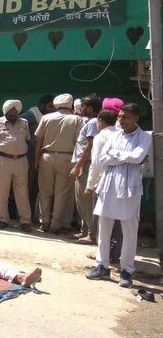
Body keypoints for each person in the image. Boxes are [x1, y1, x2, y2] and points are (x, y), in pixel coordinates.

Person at [86, 104, 151, 288]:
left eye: (126, 117)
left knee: (129, 230)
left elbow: (138, 157)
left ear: (136, 118)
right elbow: (103, 158)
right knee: (104, 227)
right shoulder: (113, 134)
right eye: (120, 116)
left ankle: (127, 270)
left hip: (129, 187)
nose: (121, 120)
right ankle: (101, 266)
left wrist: (116, 156)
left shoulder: (144, 136)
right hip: (108, 184)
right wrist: (125, 157)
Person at [34, 94, 84, 233]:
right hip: (67, 158)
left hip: (46, 156)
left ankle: (45, 221)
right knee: (62, 192)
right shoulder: (77, 119)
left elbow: (39, 140)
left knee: (44, 191)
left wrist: (37, 159)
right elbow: (80, 142)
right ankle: (57, 224)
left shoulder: (46, 118)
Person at [0, 99, 32, 232]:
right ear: (5, 112)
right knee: (2, 190)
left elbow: (27, 139)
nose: (13, 114)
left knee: (22, 191)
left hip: (21, 161)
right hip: (2, 161)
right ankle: (2, 219)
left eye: (15, 111)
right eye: (10, 112)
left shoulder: (24, 123)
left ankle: (25, 221)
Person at [70, 94, 102, 245]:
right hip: (83, 164)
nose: (80, 109)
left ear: (90, 108)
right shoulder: (89, 122)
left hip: (85, 165)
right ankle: (84, 230)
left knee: (87, 201)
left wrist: (77, 166)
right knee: (81, 201)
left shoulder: (92, 122)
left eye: (82, 106)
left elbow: (89, 147)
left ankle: (92, 233)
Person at [20, 95, 56, 221]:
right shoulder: (29, 116)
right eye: (50, 106)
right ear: (42, 106)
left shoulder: (50, 119)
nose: (52, 109)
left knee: (38, 189)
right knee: (28, 188)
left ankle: (34, 216)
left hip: (43, 159)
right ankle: (25, 216)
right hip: (29, 159)